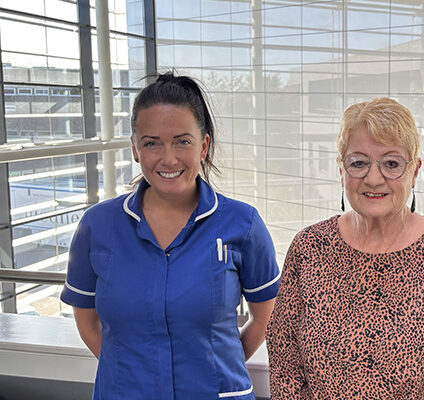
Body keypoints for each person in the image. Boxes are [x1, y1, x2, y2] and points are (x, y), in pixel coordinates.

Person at [60, 73, 280, 399]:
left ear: (203, 145)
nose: (168, 158)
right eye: (152, 143)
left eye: (182, 141)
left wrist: (216, 373)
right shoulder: (98, 226)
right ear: (135, 148)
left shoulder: (242, 224)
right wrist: (132, 379)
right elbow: (88, 323)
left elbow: (266, 318)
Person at [267, 97, 424, 399]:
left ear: (415, 171)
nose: (374, 178)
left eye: (391, 163)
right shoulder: (308, 248)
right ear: (341, 169)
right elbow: (284, 357)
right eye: (359, 163)